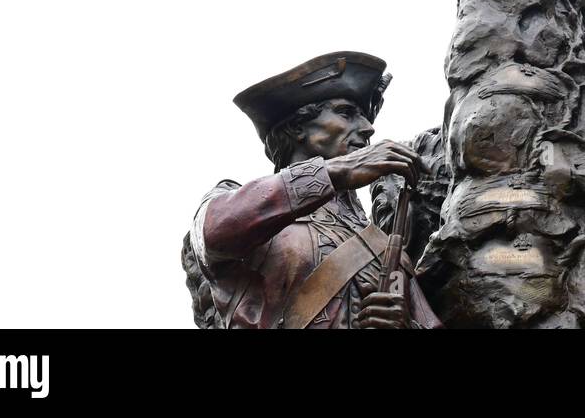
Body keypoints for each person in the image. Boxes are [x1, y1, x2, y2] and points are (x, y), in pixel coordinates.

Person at [184, 51, 441, 328]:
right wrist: (336, 172)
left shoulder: (386, 244)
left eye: (365, 117)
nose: (367, 129)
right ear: (297, 127)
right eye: (346, 112)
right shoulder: (242, 204)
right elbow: (214, 229)